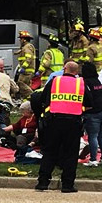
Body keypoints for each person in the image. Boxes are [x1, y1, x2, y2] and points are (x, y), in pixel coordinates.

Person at [36, 61, 92, 193]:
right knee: (71, 154)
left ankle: (43, 182)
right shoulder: (81, 83)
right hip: (73, 123)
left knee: (49, 152)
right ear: (76, 72)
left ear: (64, 69)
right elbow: (89, 103)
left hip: (54, 122)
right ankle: (67, 185)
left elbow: (43, 99)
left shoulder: (55, 81)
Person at [81, 62, 102, 167]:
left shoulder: (85, 82)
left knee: (93, 136)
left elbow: (87, 96)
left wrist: (85, 107)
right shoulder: (97, 81)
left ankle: (93, 160)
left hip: (94, 111)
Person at [15, 30, 36, 98]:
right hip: (27, 71)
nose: (19, 40)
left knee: (20, 83)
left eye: (20, 39)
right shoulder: (26, 47)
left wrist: (23, 67)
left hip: (27, 71)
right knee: (26, 85)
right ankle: (27, 100)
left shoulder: (27, 47)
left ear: (24, 40)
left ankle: (33, 96)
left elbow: (29, 58)